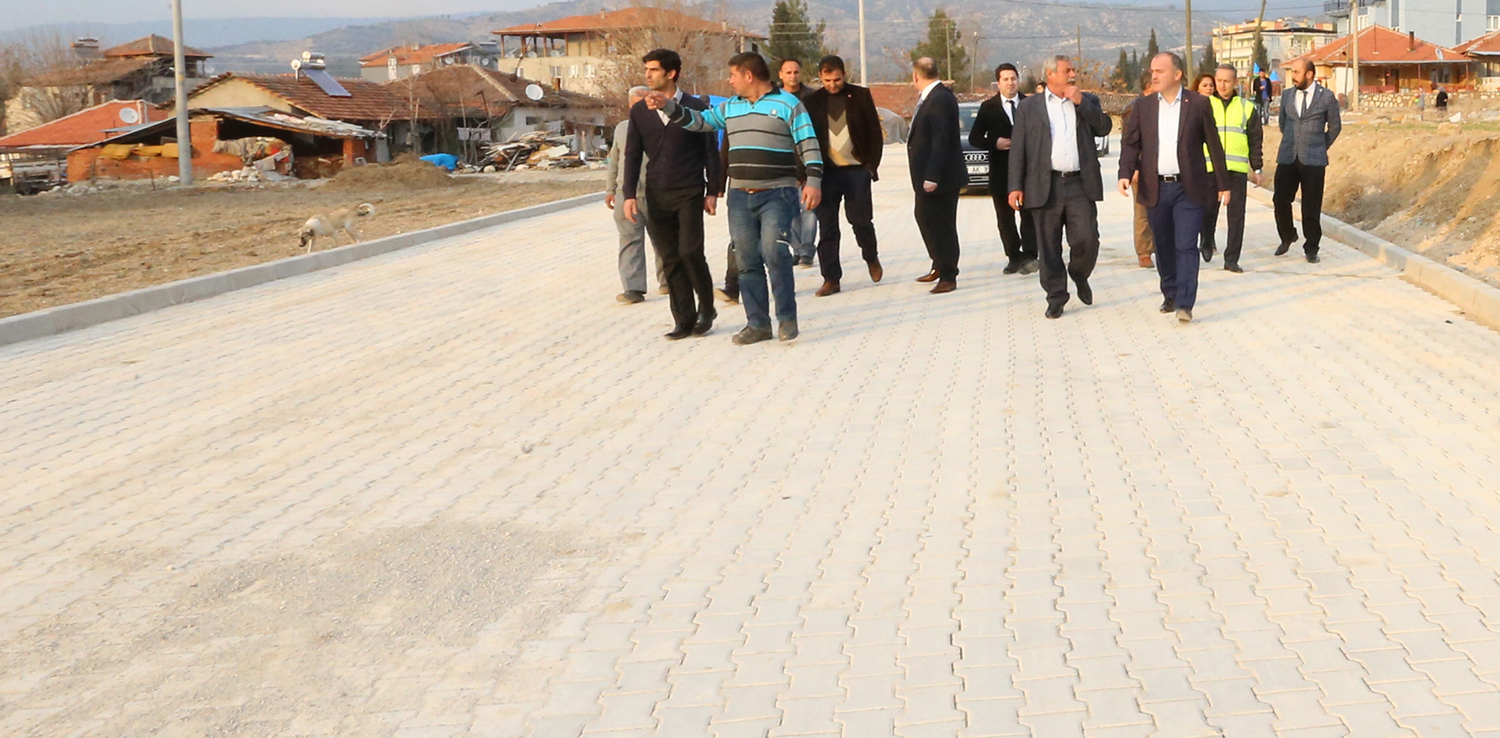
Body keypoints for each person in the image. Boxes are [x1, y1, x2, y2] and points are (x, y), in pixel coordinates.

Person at [648, 51, 823, 344]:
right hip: (740, 197)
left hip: (778, 193)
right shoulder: (731, 107)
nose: (730, 82)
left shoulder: (788, 104)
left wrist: (814, 181)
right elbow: (699, 122)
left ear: (749, 76)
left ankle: (787, 318)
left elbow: (809, 143)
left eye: (733, 76)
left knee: (775, 253)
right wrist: (668, 106)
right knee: (746, 259)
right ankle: (757, 324)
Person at [1117, 52, 1229, 324]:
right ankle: (1170, 292)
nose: (1153, 75)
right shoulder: (1143, 106)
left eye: (1160, 71)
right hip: (1155, 187)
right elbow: (1131, 143)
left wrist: (1223, 184)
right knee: (1164, 245)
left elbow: (1214, 145)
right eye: (1152, 71)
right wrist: (1124, 173)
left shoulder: (1198, 104)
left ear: (1177, 75)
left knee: (1186, 245)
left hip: (1188, 188)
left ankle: (1185, 303)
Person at [622, 49, 723, 340]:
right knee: (670, 257)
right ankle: (683, 318)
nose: (648, 75)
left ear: (671, 73)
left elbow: (710, 151)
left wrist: (712, 190)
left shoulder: (695, 106)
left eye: (653, 70)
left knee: (690, 251)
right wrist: (629, 194)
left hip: (690, 190)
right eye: (646, 70)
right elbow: (632, 154)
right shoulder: (639, 111)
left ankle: (707, 309)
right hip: (656, 192)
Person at [1008, 54, 1112, 319]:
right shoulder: (1029, 107)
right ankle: (1056, 296)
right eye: (1067, 70)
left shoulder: (1087, 100)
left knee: (1087, 239)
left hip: (1079, 183)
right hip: (1045, 185)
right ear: (1051, 74)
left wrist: (1081, 104)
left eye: (1074, 70)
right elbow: (1018, 148)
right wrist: (1015, 186)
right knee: (1049, 246)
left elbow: (1104, 128)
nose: (1073, 75)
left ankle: (1079, 272)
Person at [803, 55, 884, 297]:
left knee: (861, 221)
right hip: (826, 174)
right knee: (827, 228)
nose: (833, 84)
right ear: (820, 77)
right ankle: (831, 278)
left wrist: (870, 167)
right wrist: (806, 175)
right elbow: (806, 139)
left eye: (837, 79)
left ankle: (871, 257)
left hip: (856, 171)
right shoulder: (812, 102)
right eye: (827, 80)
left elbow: (874, 133)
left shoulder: (860, 96)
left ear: (844, 75)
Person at [969, 62, 1038, 275]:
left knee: (1029, 216)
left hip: (1028, 171)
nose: (1010, 83)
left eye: (1013, 78)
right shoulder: (988, 108)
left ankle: (1030, 255)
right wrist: (994, 143)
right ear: (998, 83)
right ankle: (1013, 257)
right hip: (1001, 171)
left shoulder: (1030, 104)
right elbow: (974, 138)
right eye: (1006, 79)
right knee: (1005, 218)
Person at [907, 57, 966, 294]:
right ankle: (938, 264)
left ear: (915, 76)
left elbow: (941, 140)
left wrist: (932, 176)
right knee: (923, 217)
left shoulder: (940, 98)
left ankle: (948, 275)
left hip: (940, 178)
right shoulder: (930, 96)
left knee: (942, 225)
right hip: (927, 175)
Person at [1273, 57, 1341, 264]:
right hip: (1288, 155)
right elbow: (1283, 123)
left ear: (1309, 74)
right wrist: (1293, 141)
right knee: (1280, 199)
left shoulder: (1326, 97)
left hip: (1314, 159)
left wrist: (1320, 145)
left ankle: (1311, 247)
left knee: (1311, 206)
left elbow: (1335, 127)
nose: (1293, 76)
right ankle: (1287, 235)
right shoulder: (1287, 96)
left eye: (1296, 72)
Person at [605, 85, 666, 304]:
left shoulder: (663, 125)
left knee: (662, 238)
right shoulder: (622, 128)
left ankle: (668, 280)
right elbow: (614, 160)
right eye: (634, 105)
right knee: (630, 240)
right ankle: (633, 288)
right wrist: (610, 189)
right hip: (627, 194)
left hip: (656, 192)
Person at [1201, 64, 1263, 273]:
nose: (1222, 85)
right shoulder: (1204, 105)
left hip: (1237, 169)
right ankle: (1207, 240)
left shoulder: (1247, 108)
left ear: (1235, 82)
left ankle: (1232, 258)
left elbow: (1255, 140)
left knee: (1236, 216)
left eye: (1227, 81)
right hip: (1210, 168)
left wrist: (1257, 167)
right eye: (1218, 81)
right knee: (1208, 210)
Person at [778, 58, 819, 268]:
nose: (792, 76)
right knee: (791, 211)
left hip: (808, 163)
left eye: (796, 72)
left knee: (809, 210)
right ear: (780, 75)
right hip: (785, 165)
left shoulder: (812, 98)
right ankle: (797, 249)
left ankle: (807, 250)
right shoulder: (775, 99)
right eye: (788, 72)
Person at [1128, 70, 1156, 269]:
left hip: (1160, 166)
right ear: (1149, 85)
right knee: (1142, 212)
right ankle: (1144, 251)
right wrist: (1133, 167)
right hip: (1141, 167)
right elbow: (1129, 142)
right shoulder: (1134, 108)